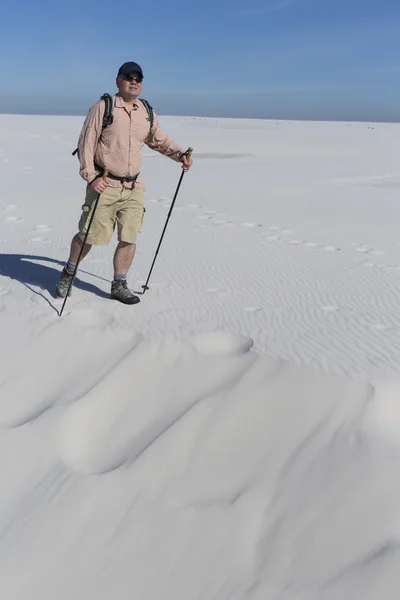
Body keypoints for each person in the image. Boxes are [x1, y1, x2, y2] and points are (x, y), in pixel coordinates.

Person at [56, 61, 193, 305]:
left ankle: (119, 284)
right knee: (88, 235)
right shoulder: (103, 107)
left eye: (138, 78)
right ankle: (69, 272)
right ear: (118, 80)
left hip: (133, 188)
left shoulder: (146, 111)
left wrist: (180, 155)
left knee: (129, 236)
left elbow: (159, 140)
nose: (134, 81)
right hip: (104, 185)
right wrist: (91, 176)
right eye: (128, 77)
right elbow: (86, 143)